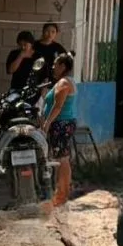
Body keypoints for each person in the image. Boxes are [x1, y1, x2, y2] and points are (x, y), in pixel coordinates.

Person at [41, 54, 78, 207]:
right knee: (61, 159)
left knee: (62, 160)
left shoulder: (64, 83)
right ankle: (61, 193)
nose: (53, 67)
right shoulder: (63, 82)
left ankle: (62, 196)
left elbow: (58, 106)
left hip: (61, 125)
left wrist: (47, 123)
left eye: (56, 64)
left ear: (63, 66)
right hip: (62, 124)